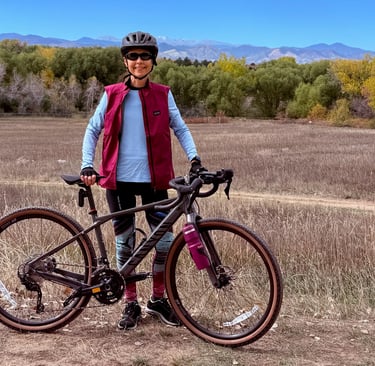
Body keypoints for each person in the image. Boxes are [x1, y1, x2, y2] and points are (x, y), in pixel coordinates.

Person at [80, 31, 202, 330]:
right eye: (133, 56)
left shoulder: (163, 93)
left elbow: (181, 128)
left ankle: (158, 300)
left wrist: (195, 159)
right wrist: (87, 163)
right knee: (126, 246)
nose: (138, 61)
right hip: (118, 181)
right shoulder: (111, 93)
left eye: (144, 56)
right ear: (125, 60)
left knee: (165, 244)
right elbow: (92, 130)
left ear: (153, 61)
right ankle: (131, 303)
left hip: (155, 181)